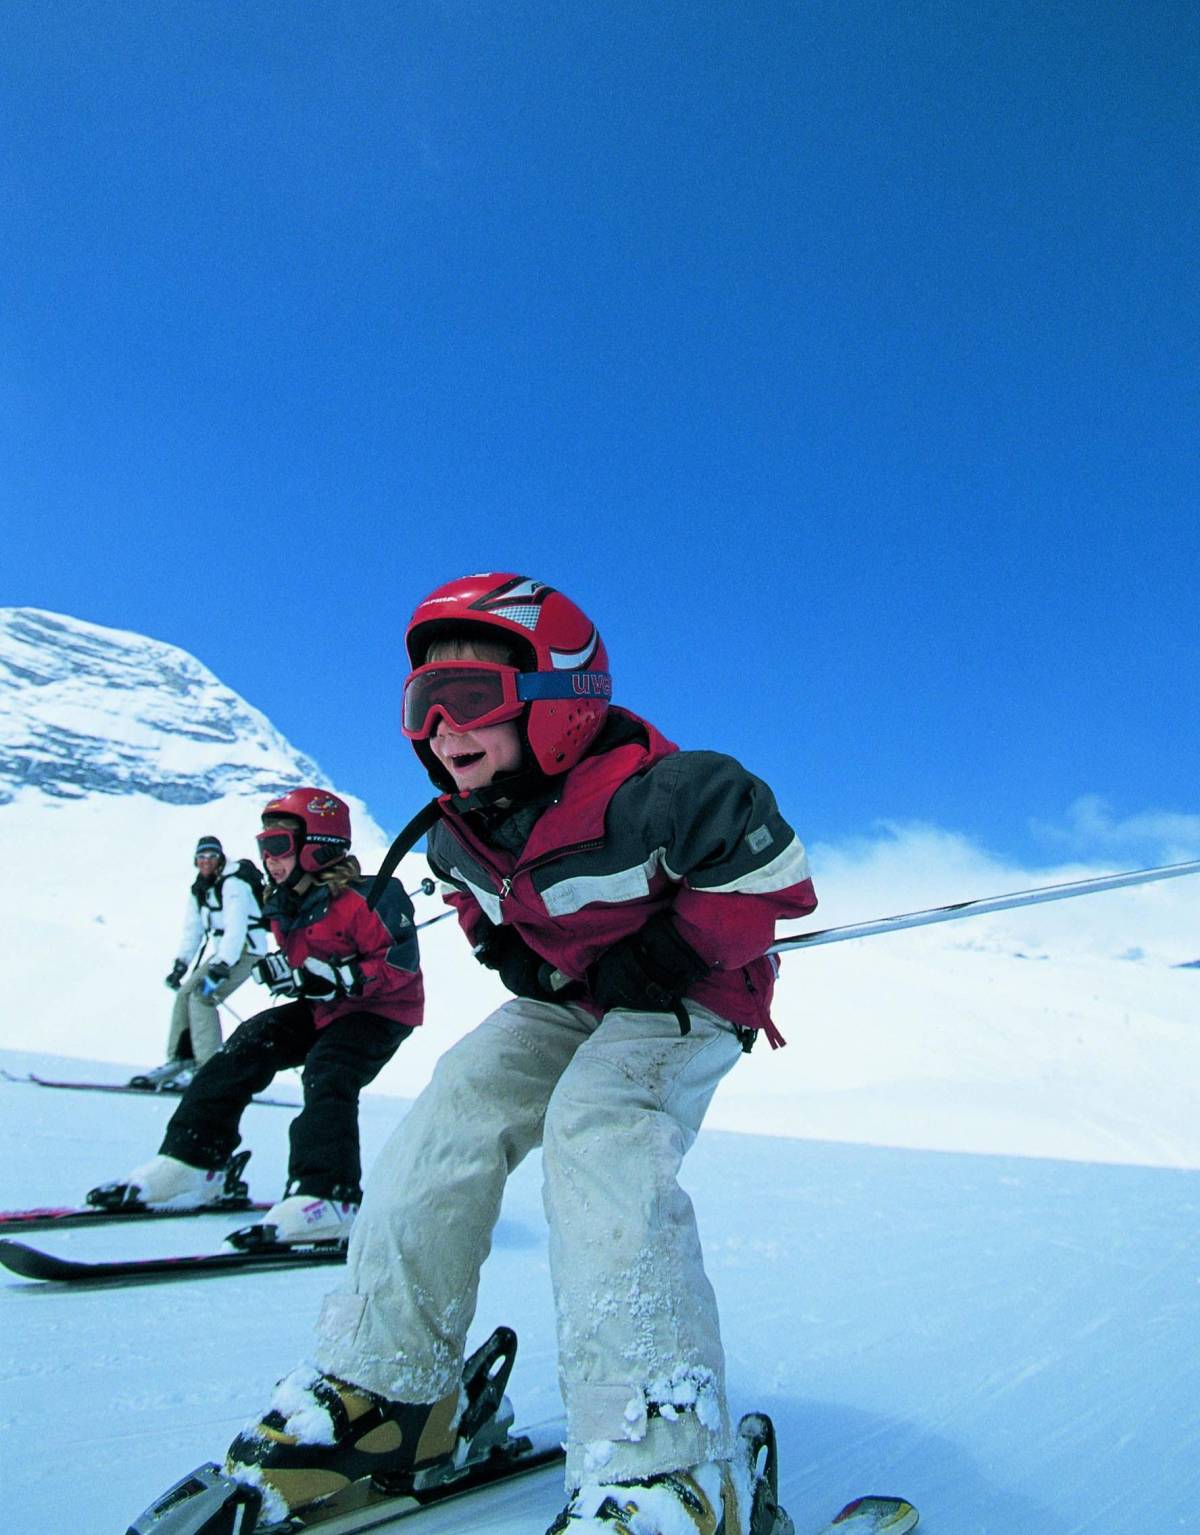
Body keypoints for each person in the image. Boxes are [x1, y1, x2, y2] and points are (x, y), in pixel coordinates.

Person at [222, 574, 818, 1535]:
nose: (441, 731)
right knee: (456, 1100)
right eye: (423, 706)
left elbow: (771, 878)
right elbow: (478, 904)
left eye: (469, 703)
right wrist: (513, 958)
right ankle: (385, 1392)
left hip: (696, 996)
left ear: (560, 704)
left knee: (599, 1128)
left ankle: (665, 1461)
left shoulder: (667, 793)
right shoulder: (462, 827)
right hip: (581, 1000)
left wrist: (668, 952)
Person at [91, 789, 424, 1245]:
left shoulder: (371, 897)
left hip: (381, 1012)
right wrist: (290, 974)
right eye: (263, 847)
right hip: (326, 1008)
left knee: (329, 1068)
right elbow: (307, 968)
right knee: (249, 1042)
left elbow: (400, 966)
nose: (269, 860)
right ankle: (196, 1162)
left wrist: (344, 976)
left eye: (278, 847)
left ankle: (330, 1196)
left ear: (317, 845)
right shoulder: (284, 903)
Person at [134, 834, 269, 1089]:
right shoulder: (200, 889)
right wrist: (181, 964)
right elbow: (193, 929)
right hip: (224, 954)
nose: (206, 862)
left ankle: (208, 1068)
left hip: (246, 952)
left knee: (202, 997)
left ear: (220, 859)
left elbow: (236, 928)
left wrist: (223, 965)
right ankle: (181, 1059)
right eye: (201, 857)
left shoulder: (234, 885)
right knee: (185, 994)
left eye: (211, 856)